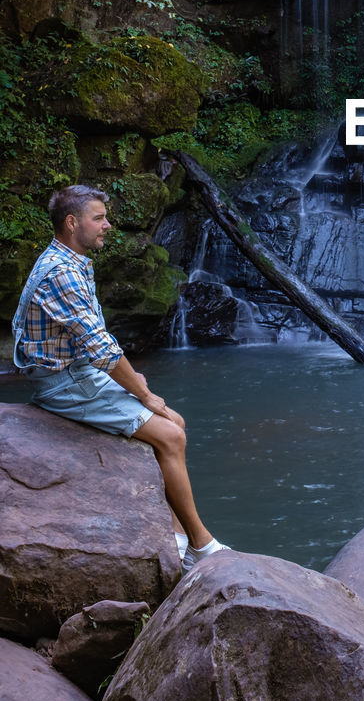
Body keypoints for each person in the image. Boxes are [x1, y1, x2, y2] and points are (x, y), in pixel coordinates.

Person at [12, 185, 228, 570]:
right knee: (172, 434)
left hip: (76, 371)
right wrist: (143, 394)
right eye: (99, 218)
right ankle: (201, 545)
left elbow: (95, 346)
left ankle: (177, 537)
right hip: (63, 382)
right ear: (71, 222)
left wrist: (134, 384)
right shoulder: (62, 272)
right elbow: (102, 349)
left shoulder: (70, 260)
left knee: (174, 422)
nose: (108, 225)